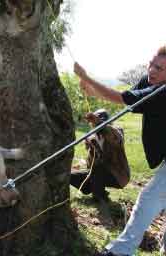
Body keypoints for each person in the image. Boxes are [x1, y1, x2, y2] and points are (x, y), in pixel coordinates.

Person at [74, 46, 166, 256]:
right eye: (151, 64)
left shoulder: (163, 92)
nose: (151, 70)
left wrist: (87, 78)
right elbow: (127, 97)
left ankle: (120, 251)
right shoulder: (151, 81)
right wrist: (90, 87)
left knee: (148, 198)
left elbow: (122, 99)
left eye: (159, 68)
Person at [70, 108, 130, 203]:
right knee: (71, 176)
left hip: (118, 175)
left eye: (101, 121)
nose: (95, 123)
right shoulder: (91, 138)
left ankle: (100, 197)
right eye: (94, 122)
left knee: (98, 168)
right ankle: (93, 188)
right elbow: (91, 162)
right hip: (97, 173)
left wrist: (98, 122)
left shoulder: (117, 132)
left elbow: (113, 135)